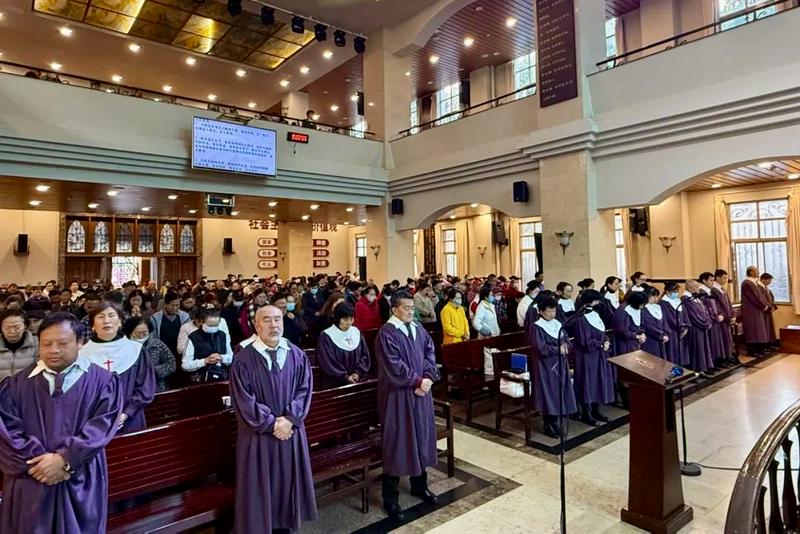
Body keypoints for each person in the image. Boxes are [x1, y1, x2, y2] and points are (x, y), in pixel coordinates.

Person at [0, 312, 122, 533]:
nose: (53, 350)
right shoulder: (15, 386)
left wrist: (65, 459)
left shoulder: (104, 383)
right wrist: (41, 465)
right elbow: (7, 432)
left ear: (80, 342)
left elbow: (101, 427)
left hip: (81, 476)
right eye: (46, 344)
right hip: (30, 477)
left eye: (63, 343)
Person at [229, 305, 317, 533]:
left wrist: (290, 419)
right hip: (259, 438)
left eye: (277, 319)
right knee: (261, 491)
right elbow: (244, 401)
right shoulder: (243, 360)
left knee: (288, 487)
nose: (274, 325)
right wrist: (272, 424)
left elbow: (304, 390)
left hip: (290, 433)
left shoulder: (296, 354)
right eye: (266, 320)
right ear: (256, 326)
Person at [375, 291, 440, 521]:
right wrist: (417, 380)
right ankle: (390, 498)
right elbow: (394, 365)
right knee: (398, 442)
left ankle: (419, 485)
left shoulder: (417, 328)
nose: (411, 311)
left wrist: (429, 377)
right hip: (398, 397)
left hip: (421, 394)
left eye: (413, 307)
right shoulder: (387, 333)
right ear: (394, 309)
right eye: (406, 307)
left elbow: (430, 353)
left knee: (421, 436)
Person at [80, 303, 156, 433]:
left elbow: (145, 388)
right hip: (93, 423)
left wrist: (126, 413)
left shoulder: (135, 350)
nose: (107, 320)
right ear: (92, 325)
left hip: (130, 420)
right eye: (101, 316)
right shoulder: (82, 354)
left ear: (120, 322)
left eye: (111, 315)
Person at [530, 296, 577, 438]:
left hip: (561, 364)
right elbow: (540, 348)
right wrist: (557, 349)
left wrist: (566, 346)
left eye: (554, 311)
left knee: (560, 391)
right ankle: (548, 423)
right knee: (549, 393)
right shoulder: (537, 327)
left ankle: (557, 421)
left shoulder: (557, 323)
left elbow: (566, 339)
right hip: (546, 366)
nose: (552, 314)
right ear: (541, 311)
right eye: (549, 311)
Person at [571, 290, 614, 427]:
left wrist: (606, 341)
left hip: (599, 354)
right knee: (588, 383)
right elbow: (584, 341)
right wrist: (600, 344)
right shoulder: (579, 319)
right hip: (587, 356)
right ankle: (586, 413)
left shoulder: (595, 314)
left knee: (598, 381)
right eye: (596, 301)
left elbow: (602, 331)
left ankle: (596, 410)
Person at [316, 302, 370, 389]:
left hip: (357, 381)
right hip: (335, 385)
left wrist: (357, 373)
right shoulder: (326, 335)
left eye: (351, 319)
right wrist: (345, 377)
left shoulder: (356, 332)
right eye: (345, 319)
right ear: (337, 318)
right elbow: (328, 362)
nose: (349, 323)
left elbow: (364, 356)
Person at [122, 316, 176, 393]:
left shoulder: (157, 344)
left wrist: (152, 372)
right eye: (138, 333)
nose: (141, 336)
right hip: (133, 389)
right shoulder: (123, 347)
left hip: (157, 387)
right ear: (130, 332)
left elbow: (171, 363)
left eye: (145, 332)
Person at [183, 307, 233, 383]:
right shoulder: (193, 337)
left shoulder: (223, 335)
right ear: (202, 322)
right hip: (200, 380)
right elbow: (185, 365)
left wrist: (221, 358)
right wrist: (205, 361)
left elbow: (232, 357)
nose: (213, 328)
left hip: (222, 377)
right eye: (210, 325)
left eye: (216, 325)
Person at [699, 272, 732, 368]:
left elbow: (716, 305)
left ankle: (721, 359)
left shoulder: (709, 290)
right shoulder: (702, 291)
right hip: (711, 320)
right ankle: (715, 362)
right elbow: (706, 307)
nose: (712, 282)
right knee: (713, 343)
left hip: (717, 319)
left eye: (713, 280)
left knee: (718, 342)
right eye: (710, 280)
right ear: (704, 281)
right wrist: (715, 316)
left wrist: (720, 314)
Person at [683, 280, 714, 376]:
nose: (698, 289)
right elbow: (693, 315)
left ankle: (703, 368)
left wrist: (708, 321)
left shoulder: (696, 297)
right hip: (695, 328)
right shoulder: (686, 298)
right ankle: (697, 370)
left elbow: (705, 310)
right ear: (689, 288)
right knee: (697, 348)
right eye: (696, 287)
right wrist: (704, 323)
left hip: (702, 327)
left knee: (703, 348)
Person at [740, 266, 772, 357]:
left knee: (759, 331)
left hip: (758, 309)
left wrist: (766, 305)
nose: (758, 272)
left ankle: (759, 349)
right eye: (756, 271)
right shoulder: (747, 283)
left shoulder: (755, 283)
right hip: (751, 310)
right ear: (751, 272)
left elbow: (761, 296)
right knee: (753, 331)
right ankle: (752, 350)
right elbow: (753, 297)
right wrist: (763, 306)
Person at [0, 309, 38, 381]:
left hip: (28, 389)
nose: (12, 331)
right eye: (7, 328)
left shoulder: (37, 343)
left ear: (25, 326)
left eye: (17, 327)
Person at [149, 292, 190, 357]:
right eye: (172, 305)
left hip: (179, 353)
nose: (175, 308)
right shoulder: (155, 318)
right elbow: (152, 337)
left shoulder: (185, 317)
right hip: (162, 353)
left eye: (177, 305)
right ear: (165, 304)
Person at [711, 269, 737, 365]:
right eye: (724, 277)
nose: (726, 279)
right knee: (723, 339)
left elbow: (728, 304)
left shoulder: (722, 289)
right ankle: (723, 357)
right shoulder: (714, 289)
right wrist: (725, 316)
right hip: (722, 319)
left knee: (728, 338)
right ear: (717, 278)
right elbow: (717, 306)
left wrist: (732, 315)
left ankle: (729, 355)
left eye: (726, 277)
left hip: (727, 318)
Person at [660, 282, 689, 366]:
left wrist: (686, 327)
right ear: (667, 291)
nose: (676, 293)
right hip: (672, 331)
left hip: (682, 331)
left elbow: (685, 314)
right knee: (673, 353)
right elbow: (669, 318)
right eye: (674, 291)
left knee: (682, 353)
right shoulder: (663, 303)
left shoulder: (678, 301)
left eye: (677, 291)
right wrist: (681, 328)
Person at [613, 291, 647, 355]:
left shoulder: (638, 308)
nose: (642, 307)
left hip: (636, 342)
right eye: (642, 304)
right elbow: (622, 330)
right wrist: (636, 336)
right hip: (625, 343)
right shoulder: (623, 310)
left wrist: (643, 334)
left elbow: (641, 324)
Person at [641, 286, 668, 359]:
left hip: (661, 339)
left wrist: (665, 333)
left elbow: (664, 322)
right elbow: (648, 325)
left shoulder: (658, 307)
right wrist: (660, 336)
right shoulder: (643, 309)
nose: (656, 299)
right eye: (654, 297)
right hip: (651, 339)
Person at [760, 273, 779, 351]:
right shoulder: (759, 288)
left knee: (769, 328)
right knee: (765, 329)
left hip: (769, 310)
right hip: (764, 311)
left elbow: (771, 298)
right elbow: (763, 300)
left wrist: (773, 306)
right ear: (763, 279)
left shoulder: (766, 289)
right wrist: (769, 307)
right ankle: (765, 345)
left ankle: (770, 344)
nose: (770, 282)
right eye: (769, 280)